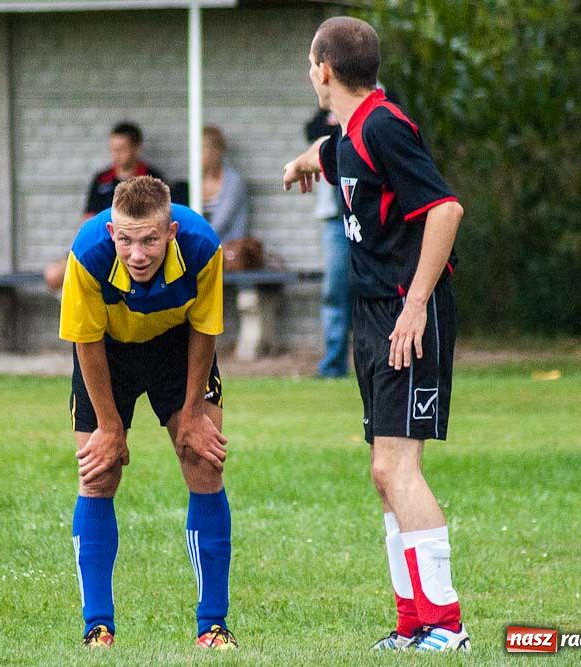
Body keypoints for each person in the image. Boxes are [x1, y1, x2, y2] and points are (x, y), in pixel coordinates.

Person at [282, 17, 469, 651]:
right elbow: (334, 157)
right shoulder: (353, 133)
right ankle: (412, 625)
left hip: (405, 316)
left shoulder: (385, 126)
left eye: (312, 63)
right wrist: (301, 163)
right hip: (373, 318)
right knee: (383, 473)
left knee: (400, 468)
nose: (311, 73)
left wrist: (415, 305)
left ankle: (447, 627)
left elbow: (445, 209)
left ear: (323, 68)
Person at [59, 176, 237, 650]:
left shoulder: (203, 246)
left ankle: (212, 627)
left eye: (150, 240)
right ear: (112, 232)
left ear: (171, 232)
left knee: (204, 463)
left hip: (177, 348)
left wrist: (194, 411)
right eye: (126, 239)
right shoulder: (87, 254)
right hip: (108, 355)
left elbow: (205, 329)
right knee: (98, 473)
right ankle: (98, 628)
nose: (137, 253)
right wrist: (110, 427)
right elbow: (85, 341)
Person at [44, 122, 164, 290]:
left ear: (137, 148)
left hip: (137, 249)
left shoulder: (153, 178)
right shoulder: (101, 179)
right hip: (101, 244)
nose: (116, 154)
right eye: (113, 149)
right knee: (53, 275)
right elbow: (88, 222)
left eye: (121, 149)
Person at [305, 110, 350, 378]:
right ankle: (334, 364)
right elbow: (311, 131)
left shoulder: (387, 101)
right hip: (335, 217)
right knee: (335, 290)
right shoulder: (331, 106)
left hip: (371, 216)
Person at [200, 125, 248, 243]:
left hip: (226, 249)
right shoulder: (196, 179)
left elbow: (221, 222)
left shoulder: (233, 182)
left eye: (202, 149)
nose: (198, 155)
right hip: (203, 248)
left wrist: (195, 240)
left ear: (217, 152)